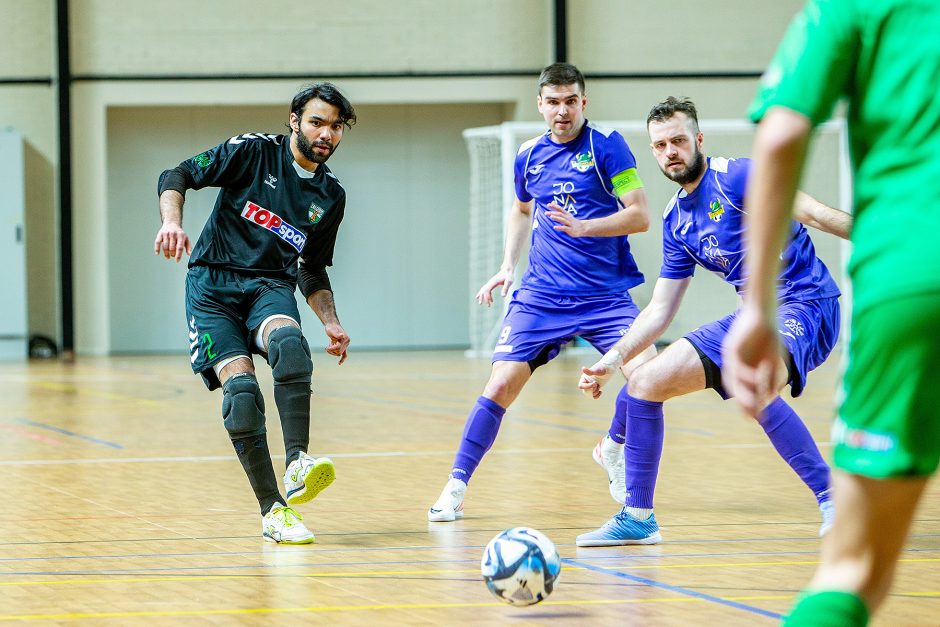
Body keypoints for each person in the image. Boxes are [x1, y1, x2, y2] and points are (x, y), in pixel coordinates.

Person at [722, 1, 940, 624]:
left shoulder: (849, 8)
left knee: (856, 568)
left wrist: (757, 309)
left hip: (912, 272)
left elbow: (784, 133)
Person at [575, 97, 852, 547]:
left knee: (756, 384)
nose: (671, 152)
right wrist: (615, 358)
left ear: (698, 140)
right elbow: (661, 309)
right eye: (661, 145)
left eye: (679, 141)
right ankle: (638, 516)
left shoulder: (739, 176)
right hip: (752, 315)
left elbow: (815, 214)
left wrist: (889, 235)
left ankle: (832, 496)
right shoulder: (675, 220)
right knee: (644, 382)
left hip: (806, 304)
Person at [427, 62, 656, 522]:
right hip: (542, 298)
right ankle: (455, 485)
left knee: (650, 377)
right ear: (541, 105)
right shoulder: (529, 155)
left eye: (571, 101)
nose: (562, 110)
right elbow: (520, 209)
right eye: (553, 102)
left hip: (606, 298)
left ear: (583, 103)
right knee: (499, 384)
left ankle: (612, 447)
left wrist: (586, 227)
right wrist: (507, 265)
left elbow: (639, 215)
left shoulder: (607, 146)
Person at [153, 83, 356, 544]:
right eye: (317, 122)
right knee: (241, 394)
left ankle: (299, 462)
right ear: (294, 121)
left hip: (269, 284)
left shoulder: (330, 196)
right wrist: (171, 221)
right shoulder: (252, 152)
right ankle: (273, 512)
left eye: (336, 126)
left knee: (290, 345)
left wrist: (330, 320)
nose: (326, 133)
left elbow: (312, 267)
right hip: (212, 287)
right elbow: (178, 173)